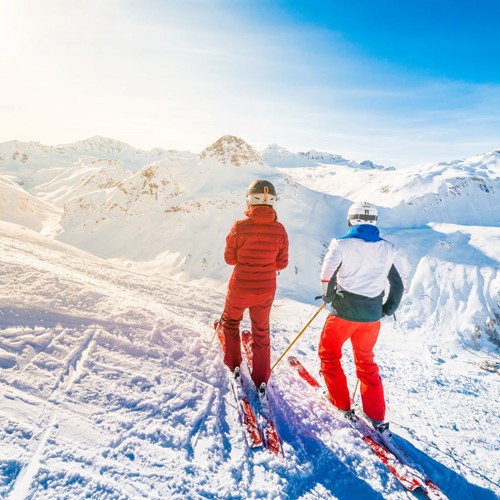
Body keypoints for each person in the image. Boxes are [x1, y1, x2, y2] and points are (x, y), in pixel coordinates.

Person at [319, 201, 405, 429]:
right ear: (374, 222)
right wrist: (388, 308)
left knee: (329, 355)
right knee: (366, 362)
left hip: (343, 314)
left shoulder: (341, 244)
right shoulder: (388, 248)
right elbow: (398, 283)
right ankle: (376, 415)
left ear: (350, 220)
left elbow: (327, 274)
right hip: (371, 317)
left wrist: (328, 297)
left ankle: (341, 403)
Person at [221, 179, 289, 392]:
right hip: (266, 288)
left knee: (231, 322)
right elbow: (282, 263)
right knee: (261, 331)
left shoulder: (240, 226)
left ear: (250, 199)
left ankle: (233, 364)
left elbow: (229, 259)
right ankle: (261, 378)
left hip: (240, 286)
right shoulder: (279, 229)